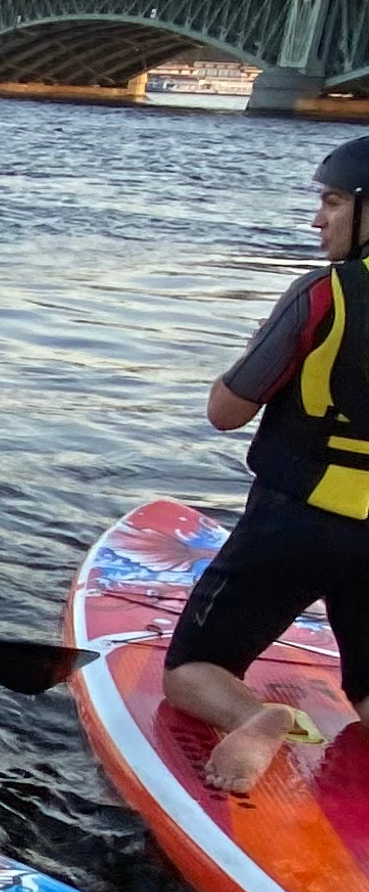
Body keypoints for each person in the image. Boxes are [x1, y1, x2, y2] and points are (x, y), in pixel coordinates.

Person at [165, 135, 369, 794]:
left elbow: (226, 411)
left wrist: (258, 348)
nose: (319, 220)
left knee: (193, 669)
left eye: (334, 202)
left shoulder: (325, 293)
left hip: (297, 520)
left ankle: (256, 718)